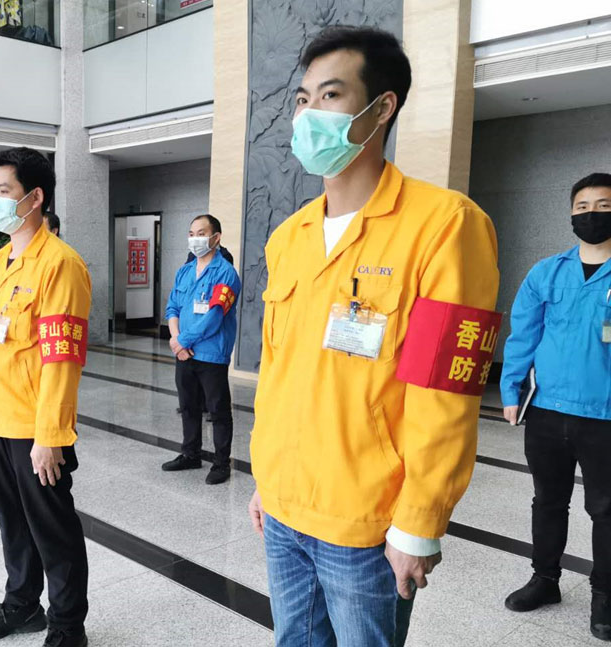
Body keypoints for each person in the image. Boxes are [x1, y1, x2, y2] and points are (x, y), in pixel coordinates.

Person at [247, 26, 501, 646]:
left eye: (330, 95)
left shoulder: (444, 225)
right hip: (283, 506)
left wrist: (419, 522)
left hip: (368, 523)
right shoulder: (289, 238)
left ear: (382, 107)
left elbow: (445, 392)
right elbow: (279, 371)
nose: (308, 114)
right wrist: (266, 479)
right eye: (302, 99)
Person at [0, 147, 91, 647]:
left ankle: (67, 627)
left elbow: (62, 358)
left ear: (35, 197)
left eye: (4, 191)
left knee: (52, 529)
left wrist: (50, 436)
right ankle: (22, 605)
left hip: (33, 427)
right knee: (11, 522)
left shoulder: (60, 265)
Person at [500, 172, 611, 642]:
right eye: (582, 206)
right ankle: (544, 579)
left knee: (606, 509)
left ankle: (605, 595)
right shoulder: (547, 272)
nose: (592, 214)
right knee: (548, 500)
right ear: (570, 213)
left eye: (603, 205)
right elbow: (522, 335)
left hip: (605, 415)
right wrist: (510, 391)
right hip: (547, 411)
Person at [161, 214, 241, 485]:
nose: (195, 239)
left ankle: (221, 463)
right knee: (188, 406)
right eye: (191, 233)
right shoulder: (184, 271)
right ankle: (190, 454)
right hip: (183, 352)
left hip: (211, 354)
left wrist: (183, 341)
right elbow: (172, 307)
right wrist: (176, 340)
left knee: (218, 410)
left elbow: (215, 315)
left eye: (201, 233)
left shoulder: (226, 273)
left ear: (216, 238)